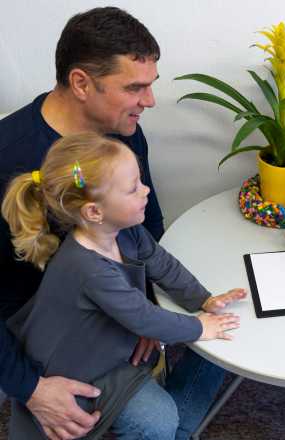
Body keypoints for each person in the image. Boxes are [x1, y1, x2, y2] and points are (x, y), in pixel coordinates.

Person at [0, 7, 229, 439]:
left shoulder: (123, 130)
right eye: (135, 87)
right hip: (45, 348)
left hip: (114, 307)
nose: (150, 100)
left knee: (222, 336)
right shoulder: (7, 158)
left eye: (150, 86)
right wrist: (31, 389)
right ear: (82, 82)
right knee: (156, 422)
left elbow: (147, 231)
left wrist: (145, 311)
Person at [2, 133, 246, 439]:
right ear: (94, 212)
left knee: (221, 339)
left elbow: (163, 265)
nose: (146, 190)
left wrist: (205, 299)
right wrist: (199, 327)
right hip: (78, 373)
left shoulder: (127, 231)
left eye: (140, 181)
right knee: (160, 416)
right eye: (133, 189)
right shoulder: (87, 268)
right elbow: (144, 318)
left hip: (108, 346)